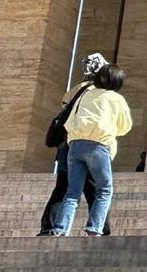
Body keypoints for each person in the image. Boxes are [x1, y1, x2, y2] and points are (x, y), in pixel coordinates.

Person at [49, 64, 132, 237]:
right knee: (104, 189)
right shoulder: (116, 99)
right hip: (98, 145)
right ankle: (95, 227)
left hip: (76, 145)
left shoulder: (85, 95)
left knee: (72, 192)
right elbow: (126, 126)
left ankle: (60, 229)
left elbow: (71, 120)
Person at [39, 53, 111, 236]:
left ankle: (49, 226)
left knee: (64, 186)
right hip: (92, 144)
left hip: (68, 145)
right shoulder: (100, 91)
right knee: (96, 188)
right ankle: (101, 227)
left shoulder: (75, 89)